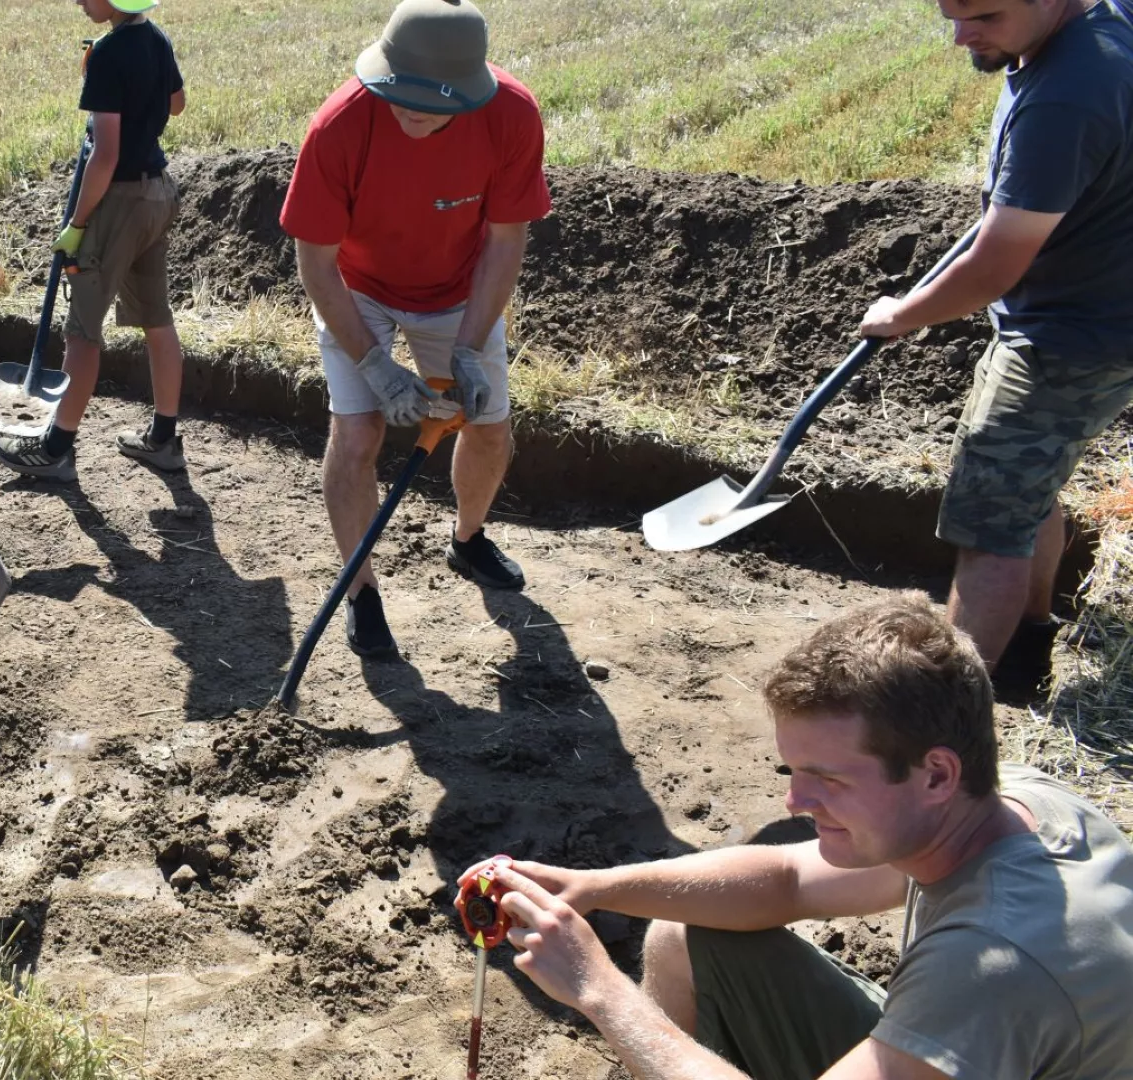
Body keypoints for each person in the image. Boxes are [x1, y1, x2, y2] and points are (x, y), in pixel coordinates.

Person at [458, 594, 1133, 1080]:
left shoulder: (988, 966)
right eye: (793, 770)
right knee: (684, 932)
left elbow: (976, 987)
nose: (795, 800)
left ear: (934, 774)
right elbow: (784, 880)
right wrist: (598, 888)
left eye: (826, 779)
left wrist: (600, 991)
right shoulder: (999, 800)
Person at [856, 0, 1133, 696]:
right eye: (950, 13)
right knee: (1026, 496)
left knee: (990, 525)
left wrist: (902, 314)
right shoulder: (1108, 22)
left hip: (1066, 338)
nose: (960, 35)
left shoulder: (1064, 102)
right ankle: (1023, 657)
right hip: (1103, 309)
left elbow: (994, 266)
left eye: (984, 14)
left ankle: (945, 725)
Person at [278, 0, 551, 659]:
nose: (409, 109)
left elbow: (505, 241)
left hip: (459, 288)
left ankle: (468, 538)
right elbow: (315, 264)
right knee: (358, 431)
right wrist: (375, 365)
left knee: (487, 426)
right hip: (358, 288)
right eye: (397, 93)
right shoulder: (340, 126)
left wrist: (468, 348)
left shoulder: (512, 116)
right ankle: (361, 591)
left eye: (429, 101)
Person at [0, 0, 189, 481]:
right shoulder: (155, 37)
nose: (78, 0)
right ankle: (164, 440)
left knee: (82, 331)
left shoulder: (107, 53)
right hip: (157, 193)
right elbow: (177, 103)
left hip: (117, 202)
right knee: (157, 318)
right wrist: (132, 93)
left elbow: (104, 154)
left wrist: (78, 224)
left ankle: (56, 448)